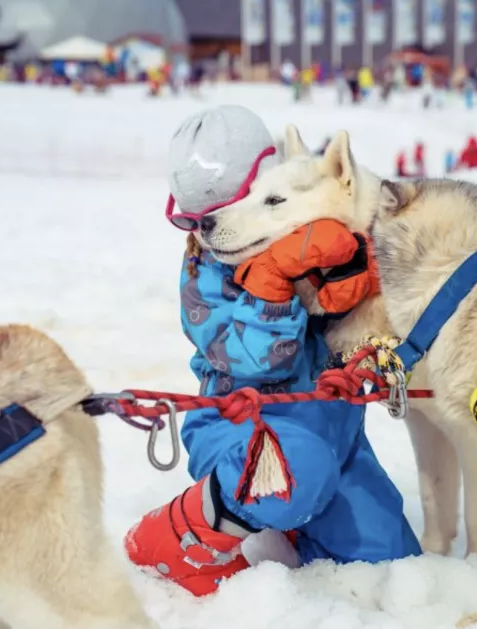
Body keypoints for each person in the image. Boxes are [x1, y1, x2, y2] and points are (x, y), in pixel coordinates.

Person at [124, 105, 420, 597]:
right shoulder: (206, 275)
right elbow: (254, 363)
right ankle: (174, 538)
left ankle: (288, 521)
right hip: (240, 431)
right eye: (194, 220)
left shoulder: (321, 235)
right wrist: (270, 285)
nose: (208, 232)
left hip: (335, 441)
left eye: (222, 212)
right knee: (299, 472)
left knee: (390, 566)